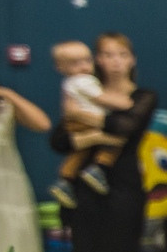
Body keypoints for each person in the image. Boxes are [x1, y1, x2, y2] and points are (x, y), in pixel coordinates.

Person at [53, 33, 158, 252]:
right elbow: (60, 139)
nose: (116, 62)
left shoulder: (143, 96)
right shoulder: (83, 89)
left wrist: (83, 118)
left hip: (123, 187)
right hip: (85, 189)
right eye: (108, 55)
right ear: (97, 59)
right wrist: (94, 134)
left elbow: (126, 126)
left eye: (122, 55)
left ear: (132, 59)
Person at [47, 40, 123, 208]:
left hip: (80, 125)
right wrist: (124, 104)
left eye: (87, 60)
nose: (83, 66)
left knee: (79, 152)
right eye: (75, 63)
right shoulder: (84, 81)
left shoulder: (72, 83)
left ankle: (65, 179)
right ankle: (100, 167)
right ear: (60, 67)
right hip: (85, 124)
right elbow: (101, 100)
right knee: (113, 142)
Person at [0, 82, 51, 252]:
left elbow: (42, 124)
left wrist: (7, 94)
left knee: (12, 231)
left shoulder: (3, 103)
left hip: (7, 180)